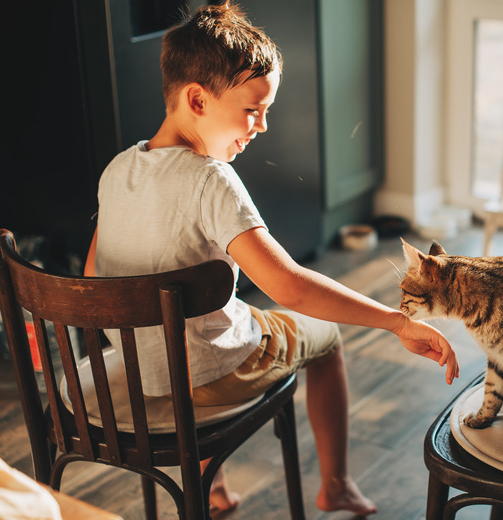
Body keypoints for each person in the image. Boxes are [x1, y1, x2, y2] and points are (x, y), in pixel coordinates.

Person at [83, 2, 459, 517]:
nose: (261, 126)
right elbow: (291, 287)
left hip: (139, 364)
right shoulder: (211, 181)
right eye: (252, 109)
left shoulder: (117, 169)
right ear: (197, 98)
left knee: (194, 335)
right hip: (207, 375)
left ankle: (212, 488)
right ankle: (337, 484)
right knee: (324, 337)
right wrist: (396, 322)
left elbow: (91, 278)